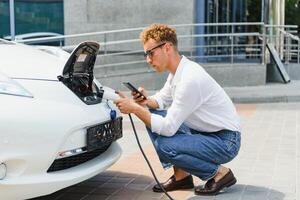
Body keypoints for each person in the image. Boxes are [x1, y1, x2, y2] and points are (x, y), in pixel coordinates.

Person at [114, 23, 241, 196]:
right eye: (146, 54)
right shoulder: (177, 71)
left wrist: (135, 109)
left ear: (167, 47)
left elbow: (168, 127)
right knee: (153, 114)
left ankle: (220, 174)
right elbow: (161, 100)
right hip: (207, 133)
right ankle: (182, 177)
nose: (148, 60)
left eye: (151, 53)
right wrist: (145, 101)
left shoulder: (190, 78)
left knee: (165, 145)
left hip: (225, 141)